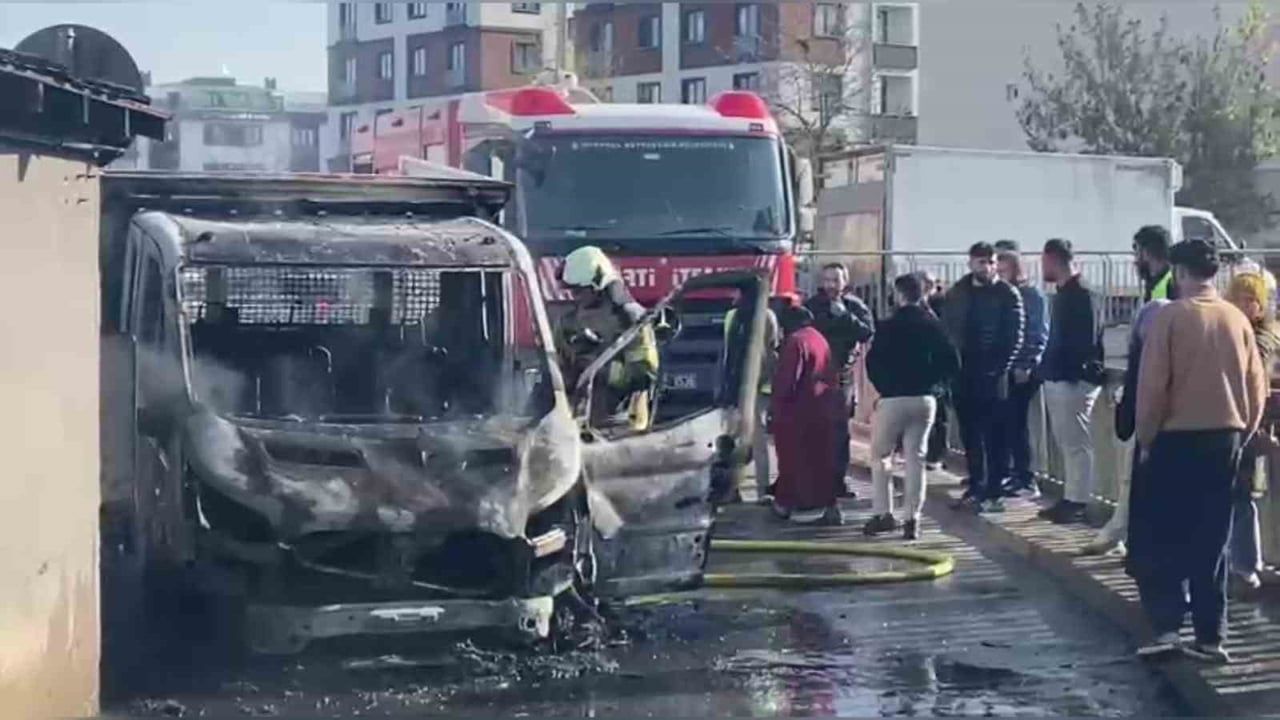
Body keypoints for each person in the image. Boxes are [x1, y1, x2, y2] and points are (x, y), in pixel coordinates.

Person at [1129, 240, 1268, 663]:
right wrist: (1243, 432)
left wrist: (1146, 438)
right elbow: (1256, 388)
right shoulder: (1236, 319)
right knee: (1213, 539)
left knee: (1165, 534)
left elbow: (1152, 388)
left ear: (1180, 272)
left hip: (1174, 439)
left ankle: (1169, 627)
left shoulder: (1170, 317)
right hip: (1224, 438)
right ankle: (1211, 637)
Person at [864, 273, 960, 540]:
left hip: (893, 399)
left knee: (882, 456)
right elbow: (952, 361)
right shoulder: (933, 324)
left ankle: (883, 513)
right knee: (915, 459)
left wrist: (884, 388)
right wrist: (935, 387)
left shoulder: (888, 325)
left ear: (900, 294)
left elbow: (872, 363)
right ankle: (912, 519)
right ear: (923, 294)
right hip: (925, 400)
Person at [1082, 295, 1170, 557]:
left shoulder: (1147, 352)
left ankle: (1128, 540)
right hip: (1160, 429)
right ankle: (1128, 539)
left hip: (1153, 430)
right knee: (1135, 484)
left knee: (1135, 484)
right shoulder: (1166, 348)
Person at [941, 242, 1024, 513]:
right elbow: (949, 330)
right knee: (970, 434)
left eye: (990, 261)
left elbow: (1014, 337)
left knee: (994, 435)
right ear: (971, 263)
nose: (985, 267)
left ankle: (994, 491)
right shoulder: (959, 291)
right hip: (964, 373)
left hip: (992, 375)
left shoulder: (1007, 293)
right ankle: (977, 486)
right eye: (980, 262)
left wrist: (999, 369)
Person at [554, 245, 657, 431]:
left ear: (598, 283)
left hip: (622, 424)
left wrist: (597, 362)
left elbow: (644, 375)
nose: (576, 297)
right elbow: (558, 371)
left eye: (580, 291)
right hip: (578, 422)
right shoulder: (568, 323)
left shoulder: (631, 320)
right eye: (572, 291)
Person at [1038, 239, 1104, 525]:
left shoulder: (1081, 294)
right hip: (1060, 376)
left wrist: (1071, 370)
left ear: (1054, 259)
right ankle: (1070, 496)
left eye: (1045, 261)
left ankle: (1078, 500)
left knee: (1077, 443)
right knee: (1068, 442)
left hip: (1073, 380)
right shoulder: (1065, 293)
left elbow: (1083, 340)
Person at [1224, 272, 1279, 596]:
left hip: (1253, 427)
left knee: (1241, 497)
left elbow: (1252, 382)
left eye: (1249, 300)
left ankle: (1246, 568)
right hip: (1252, 425)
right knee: (1241, 496)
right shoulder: (1251, 334)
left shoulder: (1260, 339)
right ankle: (1246, 564)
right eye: (1237, 299)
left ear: (1260, 305)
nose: (1242, 305)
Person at [806, 263, 875, 498]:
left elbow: (866, 332)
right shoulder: (812, 306)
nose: (831, 285)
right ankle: (815, 478)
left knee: (839, 430)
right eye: (827, 280)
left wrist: (845, 316)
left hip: (842, 375)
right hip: (815, 375)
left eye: (836, 280)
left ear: (845, 282)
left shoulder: (854, 306)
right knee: (815, 428)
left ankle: (838, 481)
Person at [770, 297, 841, 525]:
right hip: (825, 407)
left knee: (792, 458)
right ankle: (829, 505)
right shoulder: (819, 339)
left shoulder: (795, 342)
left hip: (798, 412)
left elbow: (787, 381)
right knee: (822, 458)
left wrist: (775, 407)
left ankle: (785, 503)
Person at [997, 249, 1049, 498]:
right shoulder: (1002, 294)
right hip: (1005, 368)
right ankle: (1009, 473)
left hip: (1023, 370)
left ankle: (1026, 477)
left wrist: (1026, 364)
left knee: (1017, 423)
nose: (999, 275)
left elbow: (1038, 332)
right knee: (1005, 422)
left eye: (1003, 270)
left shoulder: (1031, 295)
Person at [724, 294, 781, 505]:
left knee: (739, 439)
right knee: (758, 442)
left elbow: (729, 352)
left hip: (741, 386)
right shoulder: (768, 316)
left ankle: (734, 489)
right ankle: (761, 490)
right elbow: (773, 348)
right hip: (757, 386)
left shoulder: (733, 315)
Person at [920, 272, 950, 470]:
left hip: (937, 365)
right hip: (920, 364)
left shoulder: (940, 304)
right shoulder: (910, 305)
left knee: (939, 414)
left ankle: (937, 454)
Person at [1134, 226, 1178, 302]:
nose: (1135, 261)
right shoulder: (1157, 281)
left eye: (1136, 250)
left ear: (1146, 253)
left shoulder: (1171, 285)